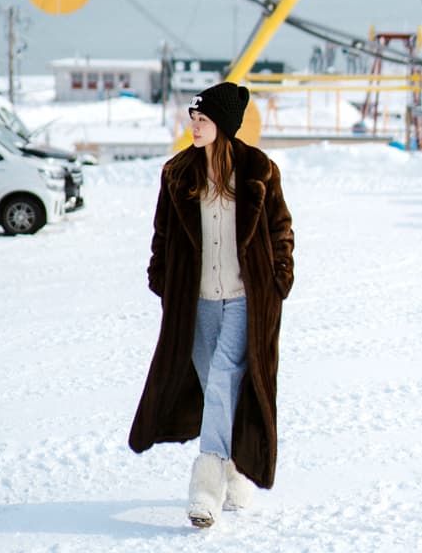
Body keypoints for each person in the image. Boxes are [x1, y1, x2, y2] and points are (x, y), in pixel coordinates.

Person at [128, 81, 295, 527]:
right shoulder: (178, 173)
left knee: (224, 378)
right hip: (196, 301)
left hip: (246, 299)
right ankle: (237, 468)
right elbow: (162, 235)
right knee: (215, 387)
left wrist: (279, 279)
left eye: (202, 120)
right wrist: (162, 280)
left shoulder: (259, 170)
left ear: (222, 124)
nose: (194, 126)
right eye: (193, 118)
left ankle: (205, 488)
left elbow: (281, 231)